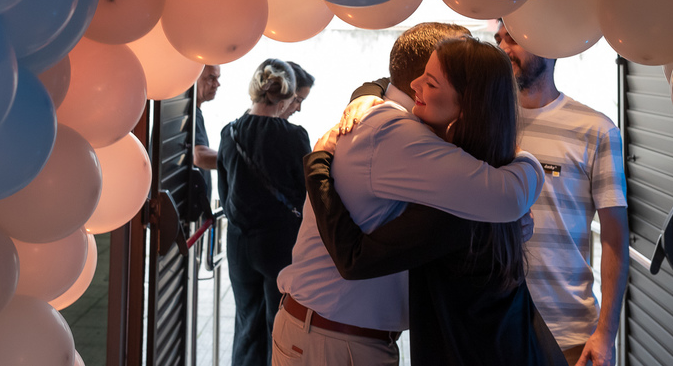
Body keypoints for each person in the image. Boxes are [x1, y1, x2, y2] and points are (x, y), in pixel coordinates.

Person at [273, 22, 544, 366]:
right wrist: (528, 162)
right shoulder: (396, 131)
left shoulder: (442, 156)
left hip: (342, 336)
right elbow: (510, 195)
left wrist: (320, 158)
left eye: (432, 80)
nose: (417, 84)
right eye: (425, 75)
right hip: (332, 338)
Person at [495, 20, 629, 366]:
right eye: (499, 39)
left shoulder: (596, 130)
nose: (503, 48)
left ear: (548, 47)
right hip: (495, 325)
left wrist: (605, 334)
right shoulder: (488, 127)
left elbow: (615, 236)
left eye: (513, 38)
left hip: (568, 332)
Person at [219, 59, 312, 366]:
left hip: (239, 244)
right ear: (285, 96)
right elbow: (306, 195)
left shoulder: (229, 133)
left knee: (247, 323)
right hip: (280, 244)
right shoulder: (295, 136)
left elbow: (224, 192)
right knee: (281, 326)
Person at [193, 64, 221, 202]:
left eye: (218, 78)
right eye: (211, 78)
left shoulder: (195, 112)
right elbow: (199, 155)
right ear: (194, 78)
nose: (217, 84)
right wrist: (236, 160)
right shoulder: (191, 114)